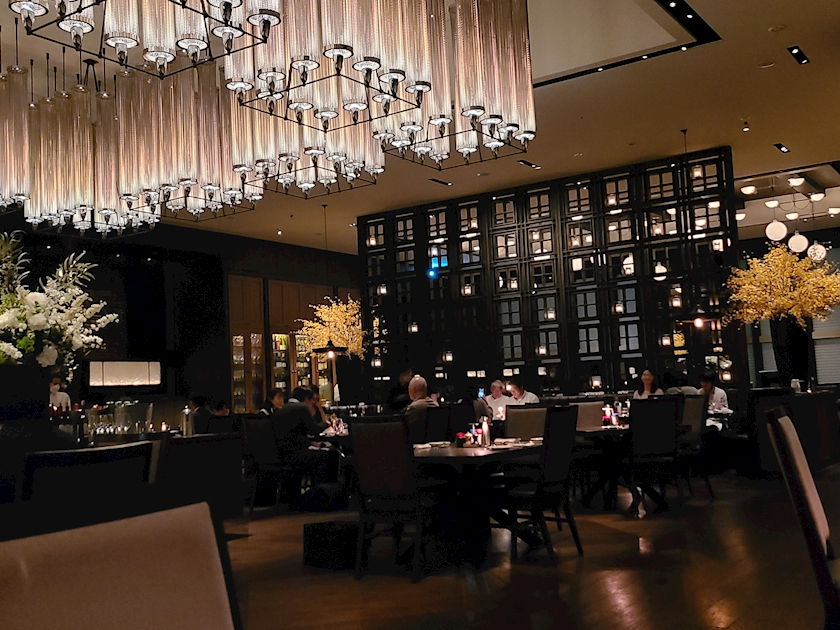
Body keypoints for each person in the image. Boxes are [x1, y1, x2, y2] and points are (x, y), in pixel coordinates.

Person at [404, 375, 439, 442]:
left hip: (417, 443)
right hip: (436, 442)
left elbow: (406, 431)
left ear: (413, 389)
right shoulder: (436, 405)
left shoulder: (413, 408)